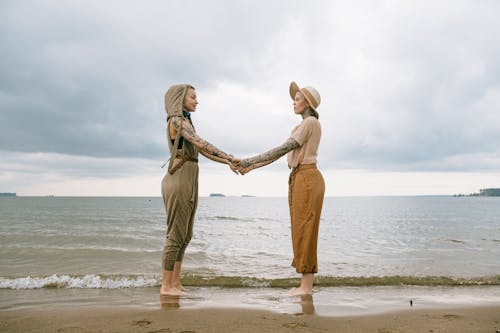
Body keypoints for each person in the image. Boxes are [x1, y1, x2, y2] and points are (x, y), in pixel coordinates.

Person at [236, 81, 325, 296]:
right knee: (301, 231)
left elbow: (283, 148)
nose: (293, 103)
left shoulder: (310, 122)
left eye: (297, 100)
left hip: (307, 178)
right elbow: (283, 153)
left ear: (308, 103)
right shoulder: (305, 125)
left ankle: (306, 288)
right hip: (300, 177)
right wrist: (252, 166)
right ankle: (305, 285)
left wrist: (250, 161)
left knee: (306, 231)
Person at [161, 84, 238, 296]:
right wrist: (230, 156)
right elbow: (201, 143)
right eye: (193, 97)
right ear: (179, 99)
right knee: (175, 235)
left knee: (186, 235)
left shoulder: (187, 122)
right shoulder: (176, 121)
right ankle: (166, 286)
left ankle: (175, 282)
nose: (197, 100)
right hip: (179, 177)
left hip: (191, 175)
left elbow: (201, 151)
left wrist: (227, 162)